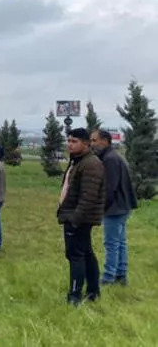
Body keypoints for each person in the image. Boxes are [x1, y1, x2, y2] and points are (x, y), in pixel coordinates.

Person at [58, 128, 105, 305]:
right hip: (73, 215)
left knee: (75, 255)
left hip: (78, 218)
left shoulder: (91, 164)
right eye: (68, 140)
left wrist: (75, 219)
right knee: (85, 252)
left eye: (74, 141)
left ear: (85, 143)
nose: (70, 144)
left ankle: (75, 294)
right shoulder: (77, 161)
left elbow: (89, 196)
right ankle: (93, 291)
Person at [90, 129, 137, 286]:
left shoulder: (109, 159)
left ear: (105, 141)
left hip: (115, 208)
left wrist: (101, 207)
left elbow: (109, 188)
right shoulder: (115, 156)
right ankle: (121, 275)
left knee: (111, 244)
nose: (92, 144)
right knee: (120, 242)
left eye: (94, 140)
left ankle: (109, 277)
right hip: (123, 206)